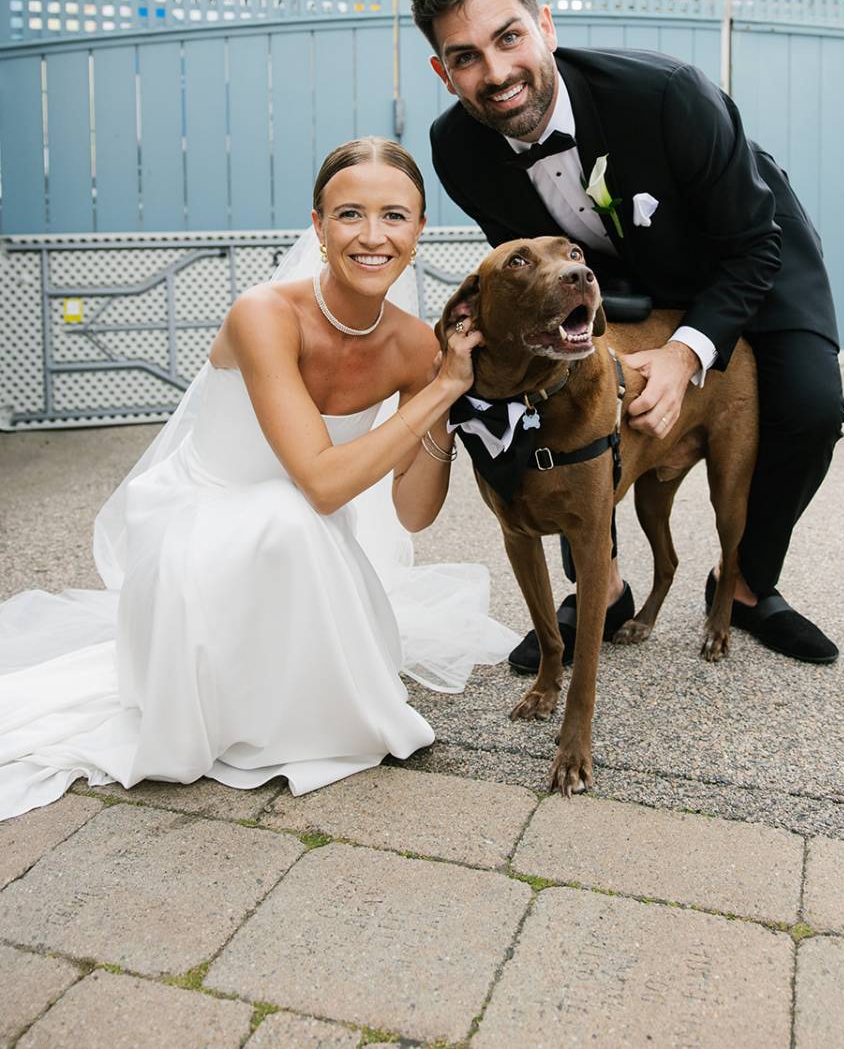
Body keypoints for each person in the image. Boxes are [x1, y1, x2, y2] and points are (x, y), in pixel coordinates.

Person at [0, 138, 516, 821]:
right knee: (289, 508)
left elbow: (415, 513)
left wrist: (444, 394)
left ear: (419, 230)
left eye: (394, 215)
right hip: (195, 528)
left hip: (304, 547)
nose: (371, 235)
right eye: (349, 214)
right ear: (318, 226)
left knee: (293, 519)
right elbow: (323, 485)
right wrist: (441, 387)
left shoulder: (414, 346)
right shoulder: (263, 313)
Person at [414, 0, 844, 668]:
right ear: (444, 71)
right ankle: (602, 582)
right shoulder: (458, 147)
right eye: (465, 57)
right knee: (559, 387)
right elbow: (532, 286)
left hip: (748, 250)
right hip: (616, 277)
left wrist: (685, 353)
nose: (495, 73)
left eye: (508, 36)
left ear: (544, 24)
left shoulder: (669, 93)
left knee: (808, 408)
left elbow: (752, 243)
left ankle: (744, 582)